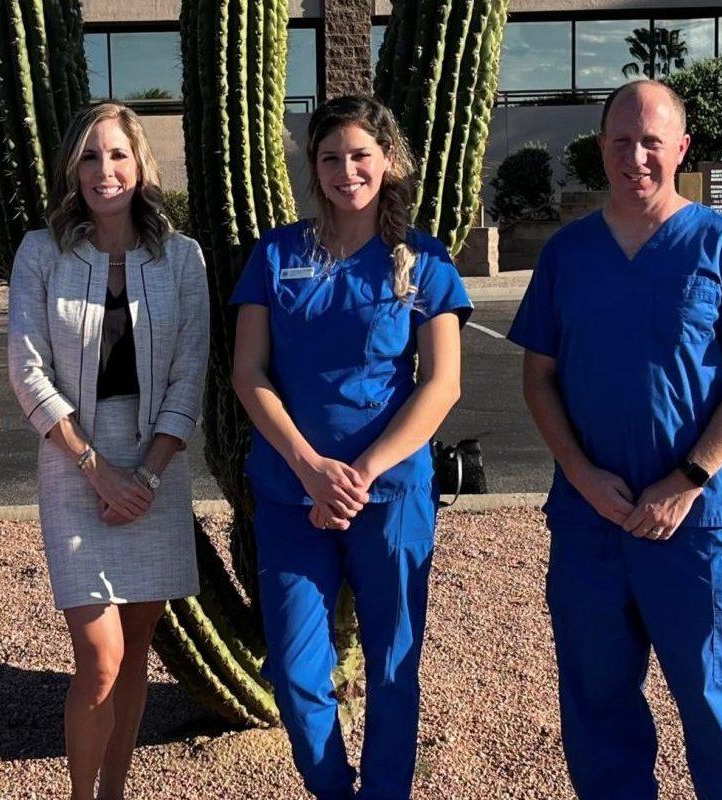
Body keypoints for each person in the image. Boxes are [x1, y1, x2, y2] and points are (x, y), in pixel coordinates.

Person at [509, 79, 722, 800]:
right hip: (589, 519)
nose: (635, 157)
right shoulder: (567, 254)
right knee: (596, 700)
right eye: (621, 141)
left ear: (681, 149)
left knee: (713, 697)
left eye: (651, 142)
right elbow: (538, 379)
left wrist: (687, 480)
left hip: (693, 520)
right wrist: (579, 473)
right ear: (601, 148)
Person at [230, 95, 471, 800]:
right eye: (331, 157)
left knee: (393, 663)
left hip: (390, 495)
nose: (346, 171)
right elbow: (248, 372)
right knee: (295, 670)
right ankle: (334, 788)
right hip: (290, 493)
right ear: (314, 167)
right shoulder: (276, 255)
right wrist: (310, 468)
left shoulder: (423, 261)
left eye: (361, 155)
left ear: (387, 161)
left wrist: (361, 472)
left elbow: (443, 384)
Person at [7, 101, 209, 800]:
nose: (104, 170)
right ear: (73, 168)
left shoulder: (181, 258)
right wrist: (98, 472)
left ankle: (115, 791)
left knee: (134, 656)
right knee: (99, 658)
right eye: (90, 156)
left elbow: (190, 372)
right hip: (74, 466)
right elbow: (26, 370)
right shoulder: (42, 253)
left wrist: (145, 476)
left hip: (157, 468)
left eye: (118, 154)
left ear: (140, 163)